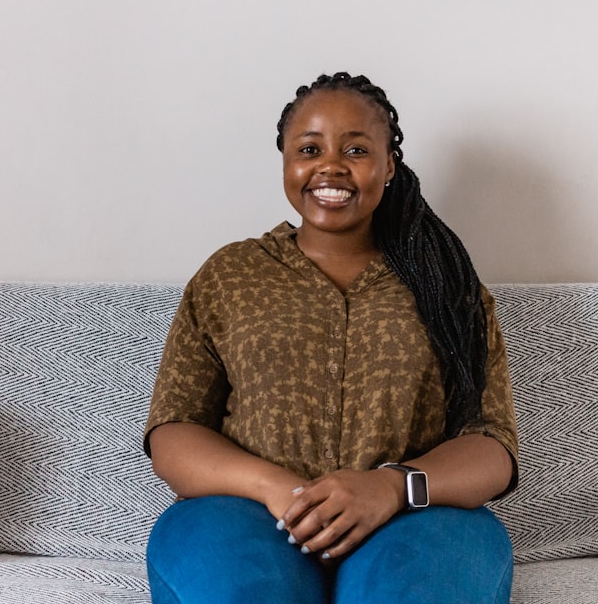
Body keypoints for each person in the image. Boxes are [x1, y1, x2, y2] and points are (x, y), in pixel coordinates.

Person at [143, 72, 518, 604]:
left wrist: (391, 486)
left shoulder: (447, 285)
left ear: (390, 165)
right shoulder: (230, 276)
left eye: (357, 149)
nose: (331, 165)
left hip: (416, 523)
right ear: (286, 162)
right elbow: (174, 430)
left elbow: (492, 445)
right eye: (309, 148)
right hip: (243, 516)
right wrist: (279, 490)